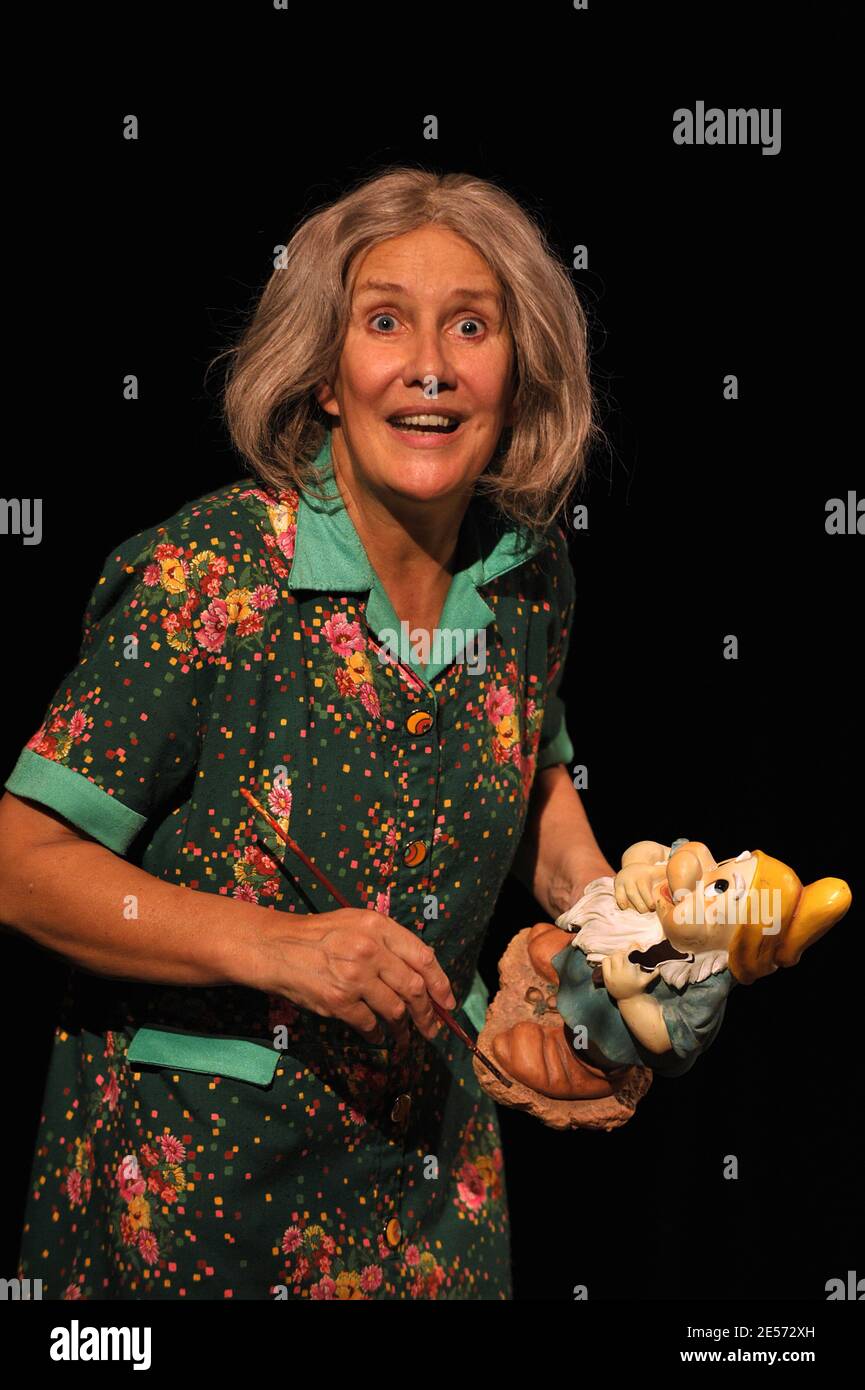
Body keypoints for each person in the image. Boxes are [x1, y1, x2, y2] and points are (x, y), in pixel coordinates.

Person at [0, 166, 615, 1300]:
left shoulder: (529, 582)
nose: (429, 363)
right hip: (199, 1218)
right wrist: (278, 946)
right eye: (384, 321)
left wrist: (626, 938)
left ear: (515, 372)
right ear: (328, 376)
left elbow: (536, 792)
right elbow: (23, 867)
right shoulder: (215, 571)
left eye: (469, 325)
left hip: (434, 1204)